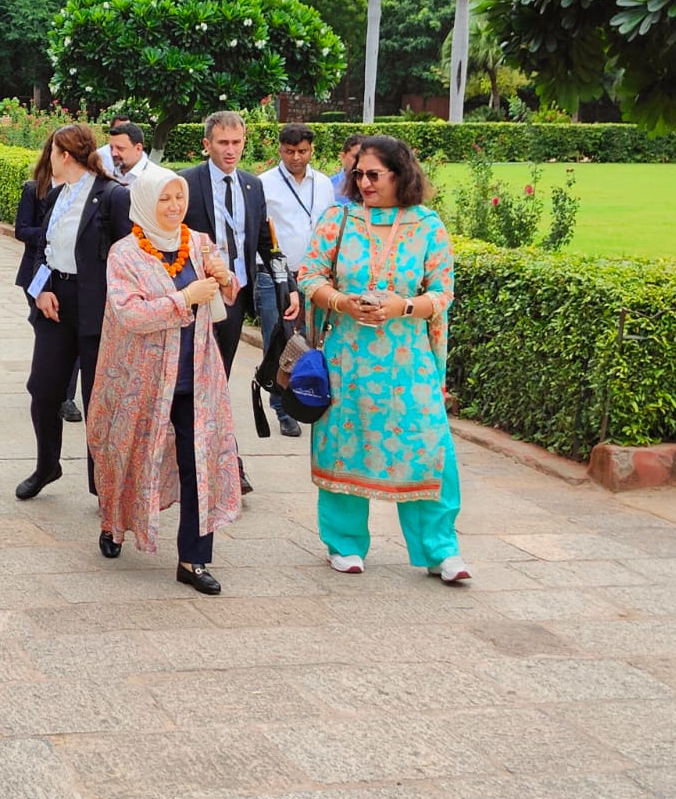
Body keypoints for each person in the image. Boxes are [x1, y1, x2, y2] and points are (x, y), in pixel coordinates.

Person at [296, 135, 470, 584]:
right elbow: (310, 274)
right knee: (344, 446)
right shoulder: (340, 218)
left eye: (374, 174)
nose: (364, 182)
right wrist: (341, 303)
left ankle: (439, 549)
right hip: (348, 360)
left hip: (408, 363)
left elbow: (443, 292)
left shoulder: (427, 225)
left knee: (430, 448)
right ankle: (345, 544)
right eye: (359, 174)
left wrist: (403, 307)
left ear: (401, 174)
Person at [89, 164, 240, 594]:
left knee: (200, 464)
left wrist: (224, 279)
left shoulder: (198, 244)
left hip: (197, 374)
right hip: (141, 379)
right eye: (165, 199)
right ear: (145, 203)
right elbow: (128, 312)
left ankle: (193, 559)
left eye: (180, 198)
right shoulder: (126, 254)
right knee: (127, 454)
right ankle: (114, 521)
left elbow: (225, 293)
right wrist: (183, 299)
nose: (174, 207)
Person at [183, 110, 296, 494]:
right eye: (223, 143)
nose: (231, 150)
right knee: (200, 385)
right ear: (207, 144)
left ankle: (221, 463)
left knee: (216, 382)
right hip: (197, 299)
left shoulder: (252, 186)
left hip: (235, 300)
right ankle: (228, 463)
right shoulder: (186, 183)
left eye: (237, 142)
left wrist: (288, 286)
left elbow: (264, 243)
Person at [17, 124, 130, 501]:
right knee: (43, 389)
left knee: (97, 398)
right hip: (56, 302)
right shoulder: (55, 195)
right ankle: (47, 464)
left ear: (65, 155)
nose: (47, 159)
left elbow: (126, 256)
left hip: (96, 307)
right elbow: (40, 249)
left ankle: (103, 483)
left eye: (51, 152)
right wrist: (41, 291)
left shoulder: (112, 196)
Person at [257, 123, 336, 437]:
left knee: (314, 341)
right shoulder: (264, 184)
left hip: (315, 275)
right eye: (289, 151)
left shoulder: (325, 183)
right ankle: (282, 407)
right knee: (280, 341)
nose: (296, 158)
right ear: (280, 150)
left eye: (302, 151)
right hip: (276, 275)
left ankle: (309, 397)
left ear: (311, 150)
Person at [13, 137, 82, 424]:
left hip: (71, 277)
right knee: (44, 326)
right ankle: (45, 383)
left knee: (71, 334)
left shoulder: (83, 194)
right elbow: (21, 229)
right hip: (39, 271)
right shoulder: (36, 189)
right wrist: (50, 235)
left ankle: (66, 396)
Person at [101, 121, 152, 186]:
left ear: (138, 149)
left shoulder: (155, 179)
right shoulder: (105, 171)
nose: (113, 153)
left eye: (120, 148)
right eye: (111, 148)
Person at [332, 134, 364, 199]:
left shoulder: (377, 186)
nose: (360, 162)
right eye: (356, 157)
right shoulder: (328, 186)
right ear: (343, 156)